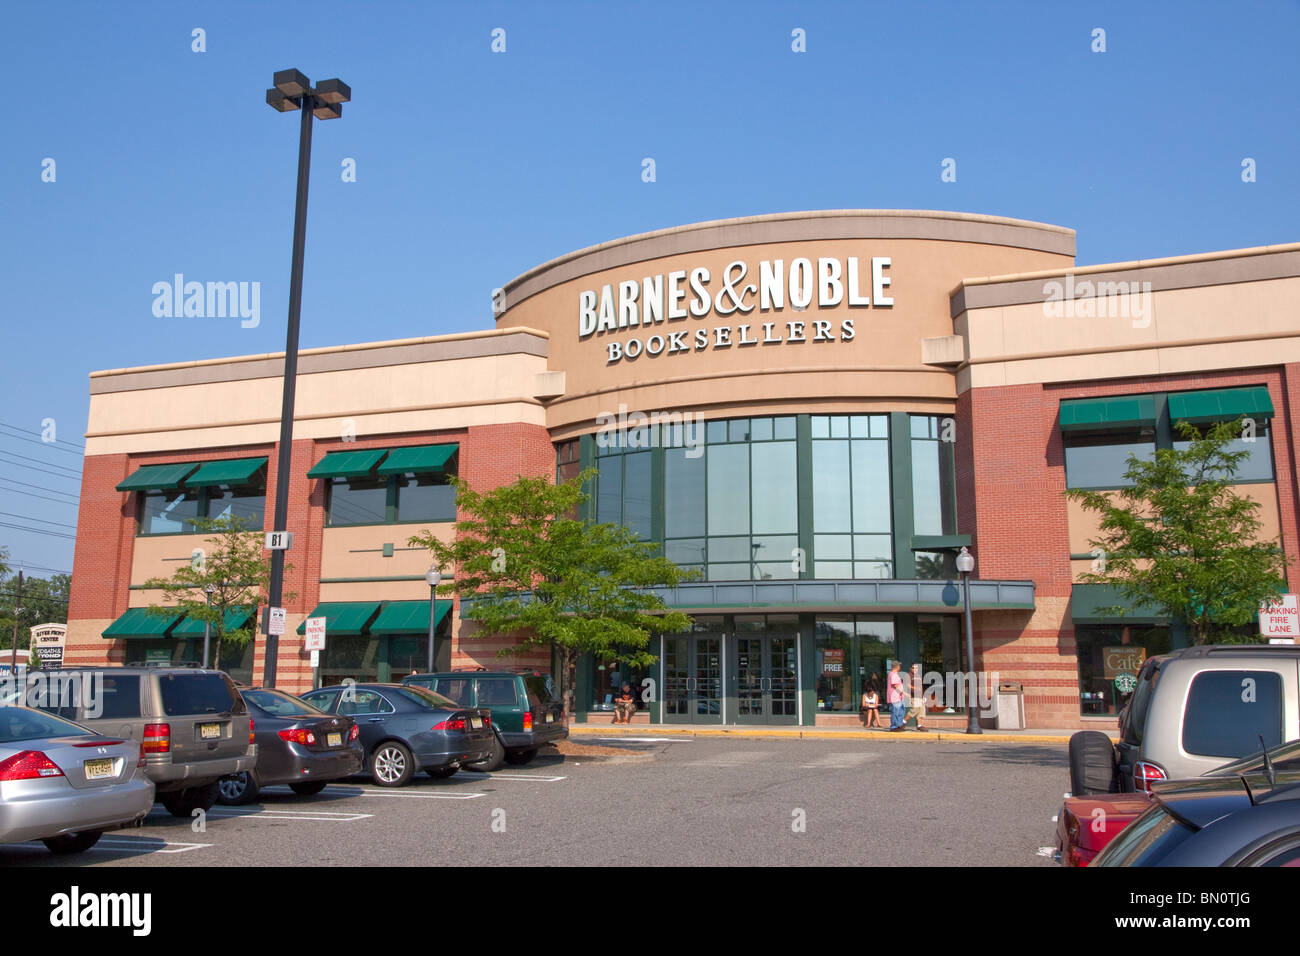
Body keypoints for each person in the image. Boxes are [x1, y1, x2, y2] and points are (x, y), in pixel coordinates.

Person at [905, 663, 928, 731]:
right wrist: (914, 688)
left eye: (916, 668)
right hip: (914, 696)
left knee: (921, 711)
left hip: (920, 696)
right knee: (914, 710)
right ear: (910, 668)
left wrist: (923, 696)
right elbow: (907, 685)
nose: (915, 669)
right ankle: (903, 722)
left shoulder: (918, 676)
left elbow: (921, 687)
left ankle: (919, 725)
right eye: (913, 668)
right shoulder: (908, 675)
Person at [887, 662, 906, 731]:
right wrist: (904, 693)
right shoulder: (893, 674)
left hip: (899, 697)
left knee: (901, 711)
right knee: (895, 712)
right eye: (899, 665)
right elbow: (896, 685)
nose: (900, 667)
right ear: (897, 666)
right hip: (895, 697)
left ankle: (899, 725)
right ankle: (894, 727)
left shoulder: (894, 674)